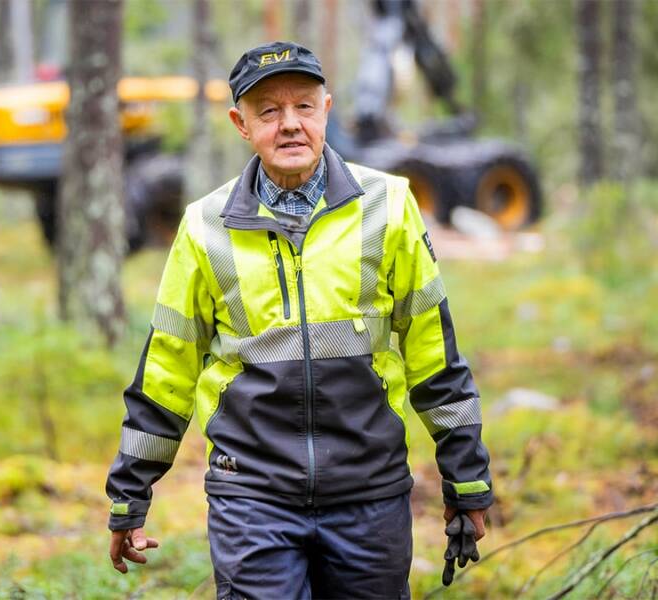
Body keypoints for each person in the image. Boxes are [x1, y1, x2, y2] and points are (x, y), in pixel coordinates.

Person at [106, 41, 493, 599]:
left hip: (370, 492)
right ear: (242, 124)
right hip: (252, 497)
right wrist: (130, 493)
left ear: (327, 110)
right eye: (269, 111)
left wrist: (466, 478)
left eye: (304, 107)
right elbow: (167, 370)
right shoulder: (203, 227)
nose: (290, 125)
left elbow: (435, 356)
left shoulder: (389, 204)